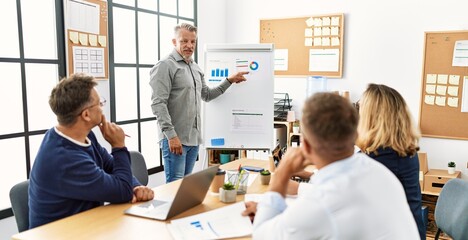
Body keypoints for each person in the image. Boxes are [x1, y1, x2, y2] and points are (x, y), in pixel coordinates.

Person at [243, 93, 419, 239]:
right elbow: (341, 200)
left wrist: (281, 175)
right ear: (355, 134)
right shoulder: (377, 171)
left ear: (305, 145)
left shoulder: (321, 205)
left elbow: (261, 235)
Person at [29, 74, 154, 229]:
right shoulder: (65, 159)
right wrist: (119, 146)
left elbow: (109, 165)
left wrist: (135, 186)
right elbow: (121, 191)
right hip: (61, 234)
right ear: (86, 115)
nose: (102, 108)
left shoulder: (82, 134)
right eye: (99, 104)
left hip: (85, 225)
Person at [150, 23, 248, 183]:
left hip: (193, 139)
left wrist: (229, 80)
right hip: (175, 140)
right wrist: (171, 136)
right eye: (184, 41)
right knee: (174, 186)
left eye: (193, 41)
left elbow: (207, 95)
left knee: (185, 186)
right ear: (174, 42)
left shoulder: (195, 68)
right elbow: (158, 104)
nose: (189, 45)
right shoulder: (165, 66)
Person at [356, 83, 425, 239]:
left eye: (361, 111)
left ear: (372, 118)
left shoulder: (386, 158)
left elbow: (344, 189)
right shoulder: (401, 150)